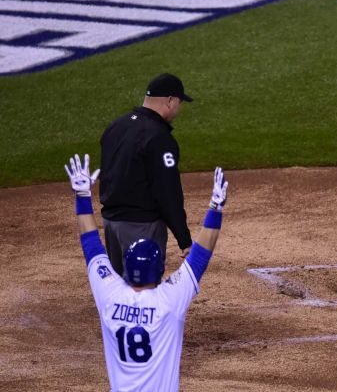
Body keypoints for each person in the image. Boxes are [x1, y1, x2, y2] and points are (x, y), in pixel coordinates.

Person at [65, 153, 228, 391]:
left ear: (126, 268)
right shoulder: (168, 302)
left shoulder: (110, 295)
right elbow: (200, 256)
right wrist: (215, 208)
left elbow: (92, 247)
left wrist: (82, 196)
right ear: (160, 269)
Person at [100, 73, 195, 276]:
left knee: (118, 290)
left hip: (110, 225)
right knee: (143, 289)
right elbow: (168, 192)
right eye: (179, 102)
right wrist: (184, 239)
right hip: (140, 228)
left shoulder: (117, 126)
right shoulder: (159, 137)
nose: (179, 108)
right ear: (170, 101)